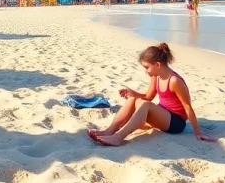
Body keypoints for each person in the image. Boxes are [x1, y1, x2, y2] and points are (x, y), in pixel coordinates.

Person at [88, 43, 216, 146]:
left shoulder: (174, 81)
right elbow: (148, 96)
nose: (146, 71)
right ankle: (110, 130)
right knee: (135, 99)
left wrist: (198, 133)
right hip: (163, 114)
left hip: (176, 123)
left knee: (146, 105)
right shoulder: (157, 76)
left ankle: (118, 137)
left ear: (157, 64)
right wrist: (133, 93)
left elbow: (187, 107)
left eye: (147, 67)